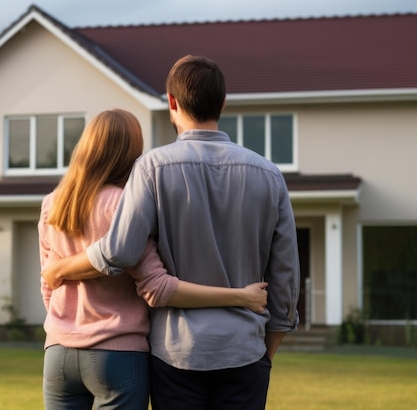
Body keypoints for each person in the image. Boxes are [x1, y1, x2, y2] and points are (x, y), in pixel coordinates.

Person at [41, 56, 300, 410]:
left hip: (177, 353)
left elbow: (120, 252)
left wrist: (59, 270)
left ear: (172, 102)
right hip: (246, 350)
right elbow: (286, 276)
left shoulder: (151, 168)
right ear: (222, 104)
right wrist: (265, 352)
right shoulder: (270, 175)